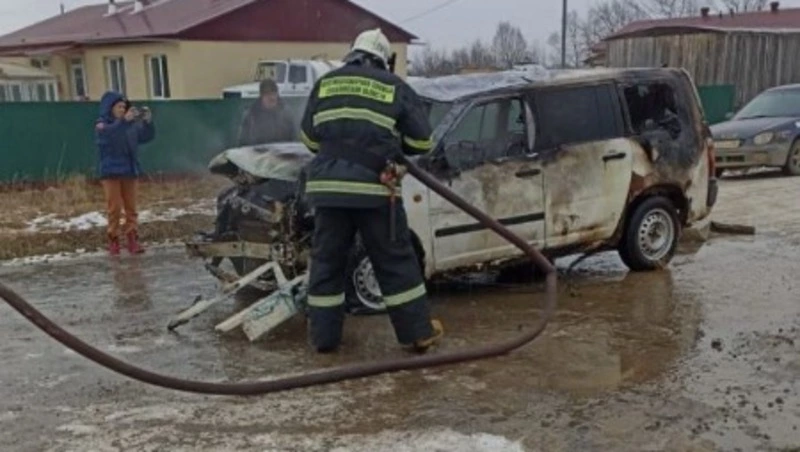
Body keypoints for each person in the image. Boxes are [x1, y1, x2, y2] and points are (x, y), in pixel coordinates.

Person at [298, 28, 444, 354]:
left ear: (353, 52)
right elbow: (422, 141)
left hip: (327, 191)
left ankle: (324, 340)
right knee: (394, 260)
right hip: (374, 188)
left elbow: (309, 140)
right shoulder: (394, 86)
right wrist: (391, 146)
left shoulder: (325, 83)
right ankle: (417, 334)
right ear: (384, 59)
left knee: (327, 264)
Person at [95, 91, 155, 256]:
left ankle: (132, 238)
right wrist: (123, 121)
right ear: (110, 108)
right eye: (119, 106)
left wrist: (148, 123)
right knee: (114, 208)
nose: (122, 109)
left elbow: (145, 137)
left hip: (129, 170)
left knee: (131, 208)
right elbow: (110, 136)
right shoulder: (102, 125)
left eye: (124, 107)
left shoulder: (130, 125)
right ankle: (113, 238)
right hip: (111, 172)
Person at [237, 79, 296, 146]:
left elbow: (293, 140)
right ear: (262, 96)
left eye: (274, 94)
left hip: (281, 154)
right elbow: (242, 142)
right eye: (268, 94)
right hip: (257, 154)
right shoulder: (251, 115)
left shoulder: (286, 114)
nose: (272, 98)